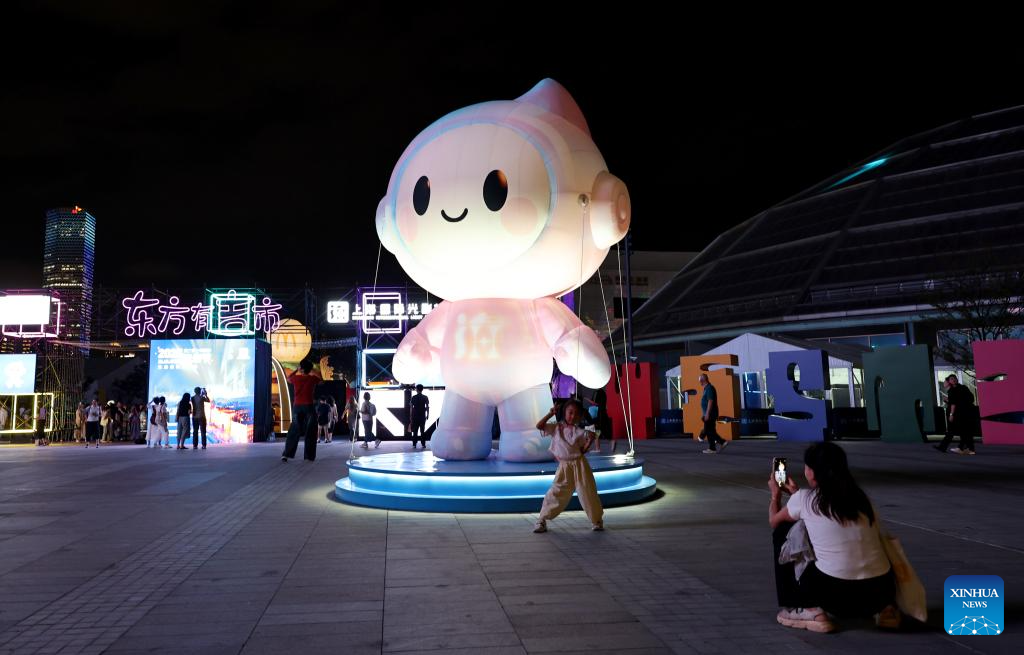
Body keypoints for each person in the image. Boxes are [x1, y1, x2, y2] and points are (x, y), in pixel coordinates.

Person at [768, 442, 897, 633]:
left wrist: (775, 496)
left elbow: (774, 521)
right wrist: (796, 495)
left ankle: (808, 610)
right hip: (880, 593)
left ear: (811, 472)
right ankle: (888, 611)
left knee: (783, 531)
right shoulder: (862, 499)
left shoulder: (805, 498)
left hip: (834, 597)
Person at [532, 400, 603, 533]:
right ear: (564, 413)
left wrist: (590, 441)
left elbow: (581, 451)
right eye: (570, 413)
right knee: (556, 492)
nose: (573, 416)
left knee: (588, 492)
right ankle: (542, 519)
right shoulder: (556, 428)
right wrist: (550, 413)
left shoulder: (580, 432)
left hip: (580, 464)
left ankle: (597, 520)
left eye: (576, 414)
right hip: (564, 466)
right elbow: (539, 426)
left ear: (580, 416)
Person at [282, 359, 321, 462]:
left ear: (301, 369)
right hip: (309, 406)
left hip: (297, 406)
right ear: (309, 369)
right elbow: (321, 379)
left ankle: (286, 454)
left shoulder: (296, 378)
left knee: (294, 430)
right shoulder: (312, 379)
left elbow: (288, 378)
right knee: (311, 432)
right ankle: (309, 457)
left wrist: (296, 370)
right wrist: (312, 370)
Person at [935, 374, 977, 455]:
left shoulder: (953, 390)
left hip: (960, 414)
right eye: (951, 379)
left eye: (954, 378)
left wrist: (951, 414)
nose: (953, 380)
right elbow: (970, 398)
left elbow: (954, 403)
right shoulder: (962, 388)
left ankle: (967, 448)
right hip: (964, 412)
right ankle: (963, 448)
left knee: (961, 431)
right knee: (964, 431)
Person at [698, 374, 728, 454]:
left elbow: (710, 401)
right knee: (710, 430)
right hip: (709, 413)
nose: (699, 382)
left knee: (708, 430)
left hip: (711, 414)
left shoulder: (709, 388)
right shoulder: (706, 389)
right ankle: (713, 447)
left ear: (702, 380)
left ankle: (720, 443)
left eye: (699, 380)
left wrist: (707, 414)